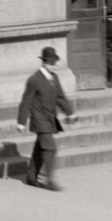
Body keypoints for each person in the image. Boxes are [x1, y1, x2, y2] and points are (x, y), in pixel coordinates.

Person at [16, 46, 76, 191]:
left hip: (50, 118)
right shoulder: (34, 80)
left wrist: (70, 112)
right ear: (43, 62)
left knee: (39, 148)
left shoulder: (54, 78)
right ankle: (48, 179)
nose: (51, 65)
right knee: (50, 148)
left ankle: (31, 176)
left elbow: (61, 98)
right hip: (39, 118)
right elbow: (26, 101)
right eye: (49, 62)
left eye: (53, 62)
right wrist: (21, 121)